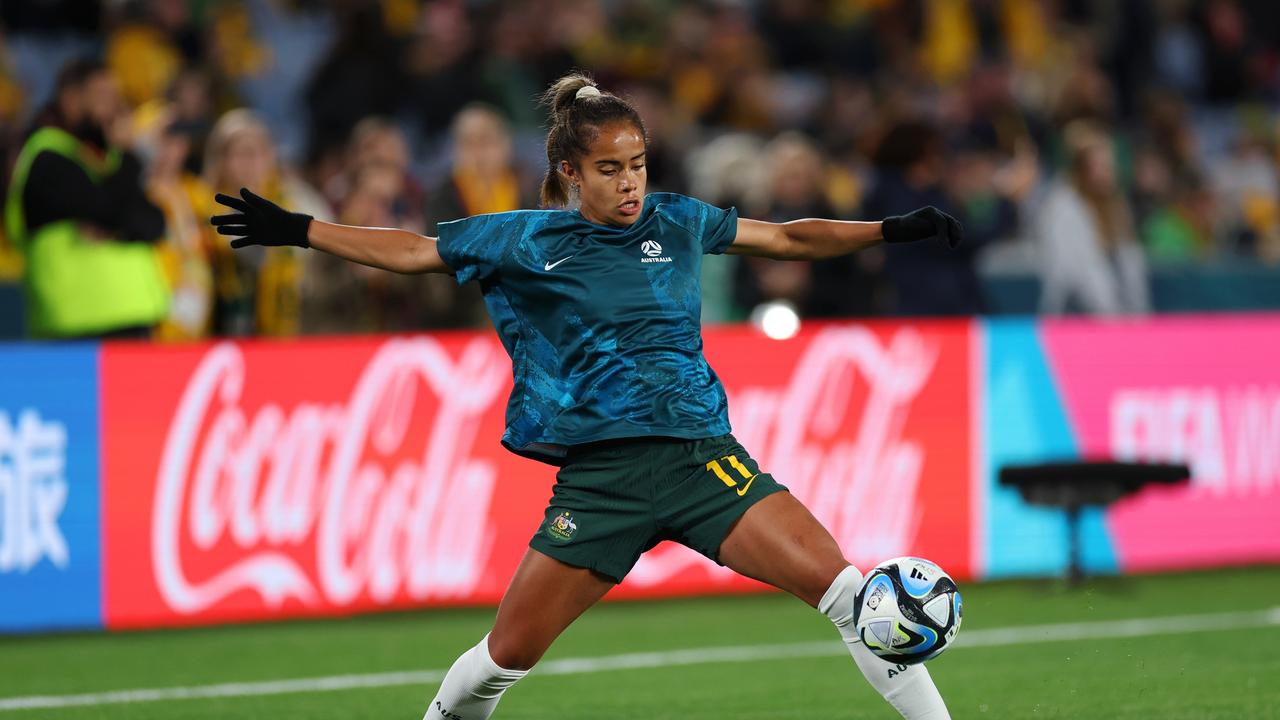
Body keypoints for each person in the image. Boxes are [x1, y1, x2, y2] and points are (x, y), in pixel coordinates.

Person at [211, 75, 961, 720]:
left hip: (705, 462)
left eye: (637, 164)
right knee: (504, 657)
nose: (630, 182)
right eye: (610, 169)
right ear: (572, 172)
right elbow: (411, 252)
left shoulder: (679, 220)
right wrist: (301, 228)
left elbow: (792, 240)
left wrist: (889, 229)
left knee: (854, 599)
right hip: (602, 483)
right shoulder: (524, 240)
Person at [4, 58, 169, 339]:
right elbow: (113, 212)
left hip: (134, 321)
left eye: (118, 97)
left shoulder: (107, 162)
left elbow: (154, 224)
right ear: (71, 99)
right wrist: (130, 156)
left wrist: (119, 224)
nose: (115, 108)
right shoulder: (47, 157)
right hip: (75, 331)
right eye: (103, 96)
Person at [1036, 122, 1150, 315]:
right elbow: (1071, 278)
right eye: (1101, 166)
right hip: (1077, 320)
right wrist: (1110, 318)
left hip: (1121, 322)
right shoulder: (1062, 209)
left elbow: (1132, 269)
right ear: (1081, 169)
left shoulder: (1116, 207)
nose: (1109, 172)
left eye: (1111, 165)